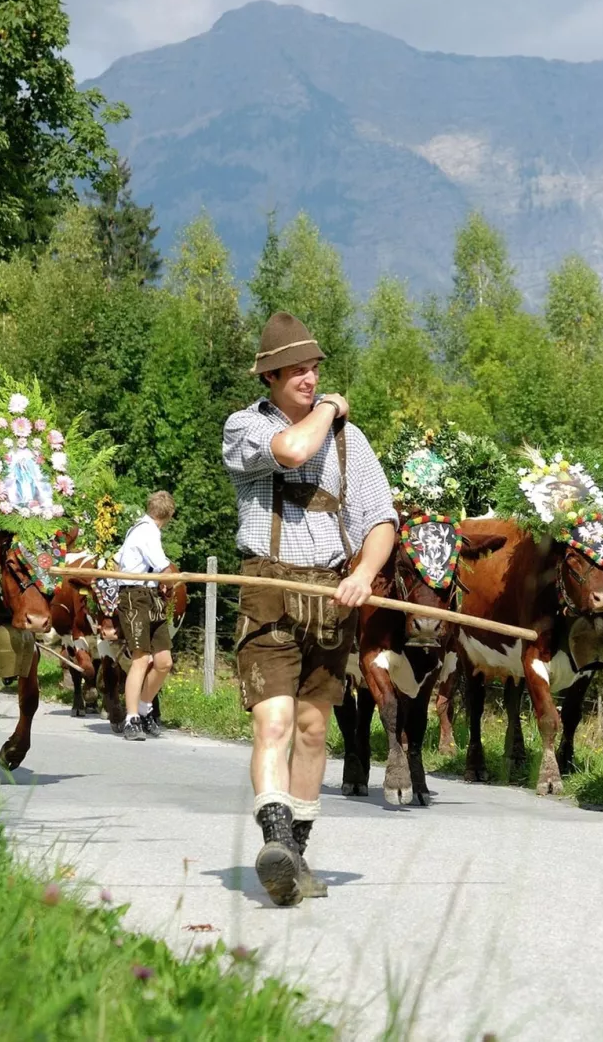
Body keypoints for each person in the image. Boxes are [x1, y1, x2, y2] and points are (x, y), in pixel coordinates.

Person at [222, 311, 398, 906]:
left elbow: (379, 520)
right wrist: (330, 407)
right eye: (295, 370)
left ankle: (294, 855)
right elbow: (294, 451)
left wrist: (365, 574)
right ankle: (273, 843)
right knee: (272, 722)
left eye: (314, 368)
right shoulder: (245, 427)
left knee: (313, 728)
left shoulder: (352, 442)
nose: (308, 378)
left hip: (331, 592)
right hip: (267, 589)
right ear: (269, 378)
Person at [115, 491, 178, 742]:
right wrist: (174, 580)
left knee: (164, 661)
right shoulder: (147, 531)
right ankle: (131, 719)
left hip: (151, 595)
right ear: (169, 516)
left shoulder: (142, 530)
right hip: (134, 596)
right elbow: (162, 566)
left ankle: (143, 708)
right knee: (141, 659)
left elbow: (121, 558)